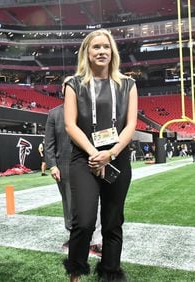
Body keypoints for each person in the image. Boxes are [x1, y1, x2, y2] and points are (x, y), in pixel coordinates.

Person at [63, 29, 137, 281]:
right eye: (96, 47)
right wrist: (95, 153)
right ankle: (75, 271)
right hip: (85, 159)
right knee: (83, 222)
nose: (102, 51)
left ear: (112, 51)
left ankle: (110, 273)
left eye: (106, 47)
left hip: (117, 159)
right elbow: (70, 125)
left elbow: (130, 125)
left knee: (112, 222)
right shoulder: (73, 84)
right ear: (87, 52)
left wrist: (111, 153)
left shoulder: (128, 84)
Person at [45, 104, 102, 255]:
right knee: (69, 203)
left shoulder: (89, 108)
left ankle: (96, 241)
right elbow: (49, 143)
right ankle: (74, 238)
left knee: (94, 201)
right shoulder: (54, 113)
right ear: (63, 89)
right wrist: (52, 166)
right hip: (64, 165)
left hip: (89, 161)